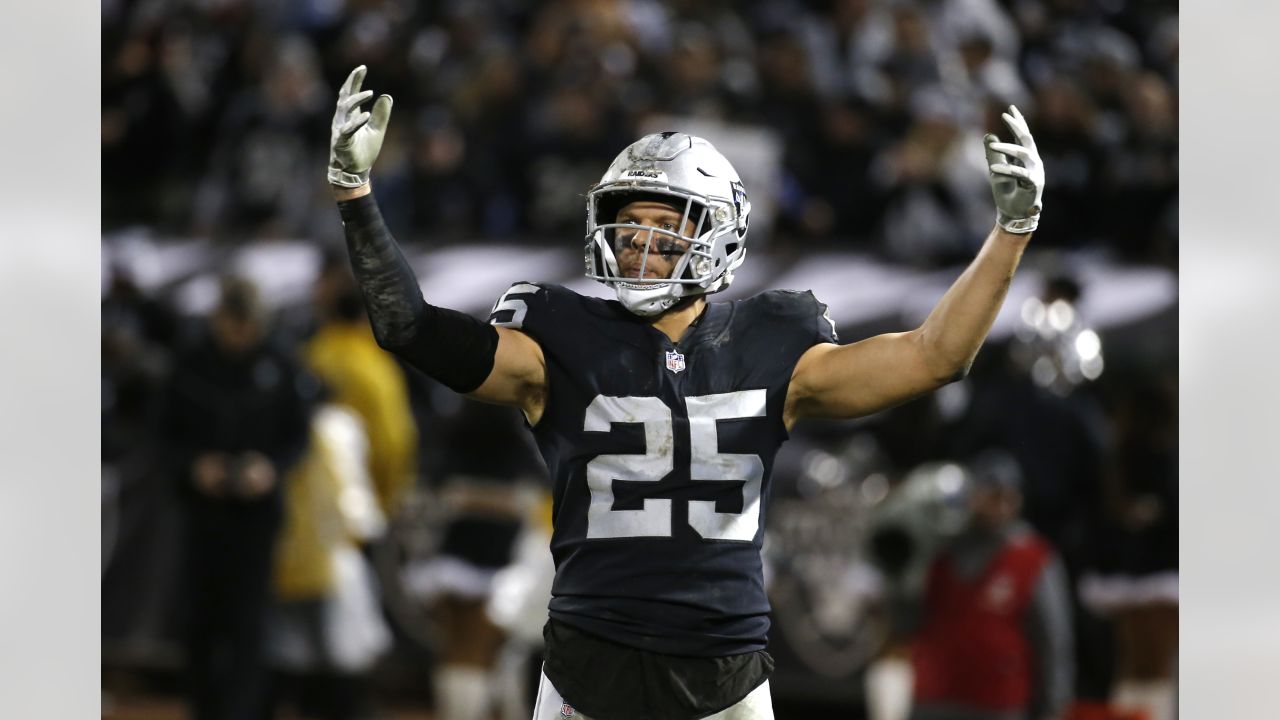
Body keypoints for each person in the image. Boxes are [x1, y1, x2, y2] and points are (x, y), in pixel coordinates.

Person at [325, 64, 1046, 720]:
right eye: (628, 225)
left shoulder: (774, 339)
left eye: (666, 228)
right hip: (589, 665)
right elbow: (409, 328)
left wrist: (1008, 235)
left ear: (719, 236)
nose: (639, 245)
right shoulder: (558, 336)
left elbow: (934, 356)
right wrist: (358, 200)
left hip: (725, 673)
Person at [159, 275, 314, 720]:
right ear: (219, 318)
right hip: (201, 512)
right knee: (200, 620)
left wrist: (270, 468)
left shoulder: (281, 362)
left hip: (257, 515)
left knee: (251, 621)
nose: (241, 337)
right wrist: (194, 466)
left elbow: (299, 437)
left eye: (250, 328)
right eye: (234, 326)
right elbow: (163, 434)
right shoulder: (190, 362)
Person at [907, 451, 1074, 720]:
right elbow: (907, 619)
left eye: (1008, 496)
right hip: (934, 698)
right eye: (991, 494)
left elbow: (1053, 641)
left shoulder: (1032, 557)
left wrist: (1053, 708)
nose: (1000, 506)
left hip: (998, 703)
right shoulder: (939, 546)